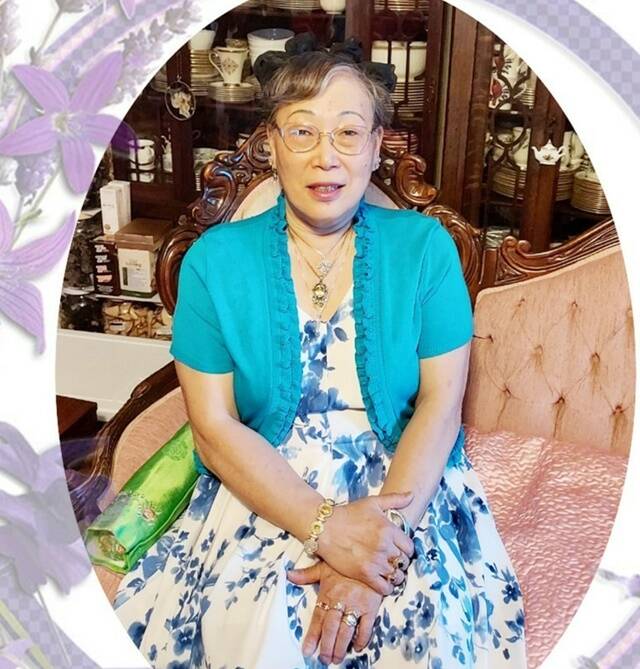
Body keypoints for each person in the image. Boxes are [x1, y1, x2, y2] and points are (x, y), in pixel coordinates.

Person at [113, 47, 527, 668]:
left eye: (348, 133)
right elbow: (214, 428)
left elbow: (441, 406)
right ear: (271, 143)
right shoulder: (214, 262)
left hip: (404, 486)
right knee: (252, 626)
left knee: (423, 634)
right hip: (265, 482)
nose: (325, 156)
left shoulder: (425, 249)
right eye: (302, 131)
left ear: (376, 144)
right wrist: (328, 528)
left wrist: (378, 555)